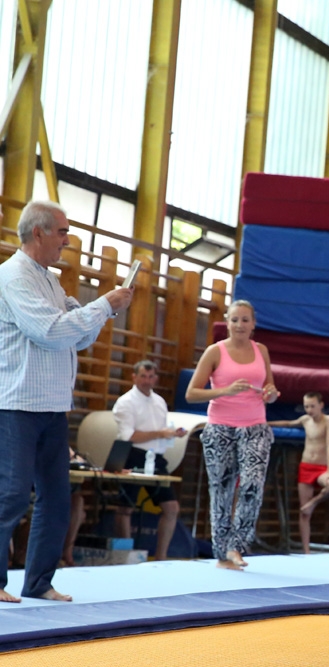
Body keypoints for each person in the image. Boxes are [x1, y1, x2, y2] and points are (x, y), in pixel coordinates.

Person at [0, 200, 133, 604]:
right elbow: (50, 332)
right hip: (17, 405)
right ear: (38, 232)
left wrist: (100, 313)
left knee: (58, 499)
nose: (67, 240)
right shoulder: (14, 276)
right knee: (12, 495)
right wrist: (102, 306)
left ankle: (38, 583)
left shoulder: (50, 281)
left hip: (52, 407)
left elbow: (77, 338)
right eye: (62, 232)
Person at [185, 300, 278, 570]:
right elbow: (191, 393)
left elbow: (270, 388)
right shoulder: (215, 352)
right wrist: (225, 390)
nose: (240, 325)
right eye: (235, 320)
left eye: (245, 320)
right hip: (220, 428)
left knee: (252, 485)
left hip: (255, 426)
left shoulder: (261, 350)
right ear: (227, 323)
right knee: (222, 489)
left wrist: (271, 394)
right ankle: (223, 552)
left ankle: (237, 546)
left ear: (253, 324)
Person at [111, 360, 186, 561]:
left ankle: (161, 556)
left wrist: (172, 433)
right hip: (133, 454)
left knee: (171, 508)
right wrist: (160, 433)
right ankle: (124, 555)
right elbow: (128, 436)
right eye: (143, 376)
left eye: (151, 376)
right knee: (125, 508)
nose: (147, 381)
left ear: (156, 379)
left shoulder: (159, 401)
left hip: (156, 457)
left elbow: (161, 432)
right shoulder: (126, 402)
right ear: (134, 377)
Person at [267, 392, 329, 555]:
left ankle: (313, 502)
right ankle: (306, 551)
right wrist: (266, 423)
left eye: (312, 406)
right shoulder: (305, 420)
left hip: (322, 468)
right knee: (304, 512)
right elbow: (288, 423)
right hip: (306, 466)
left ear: (321, 405)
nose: (309, 410)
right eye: (306, 406)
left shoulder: (328, 420)